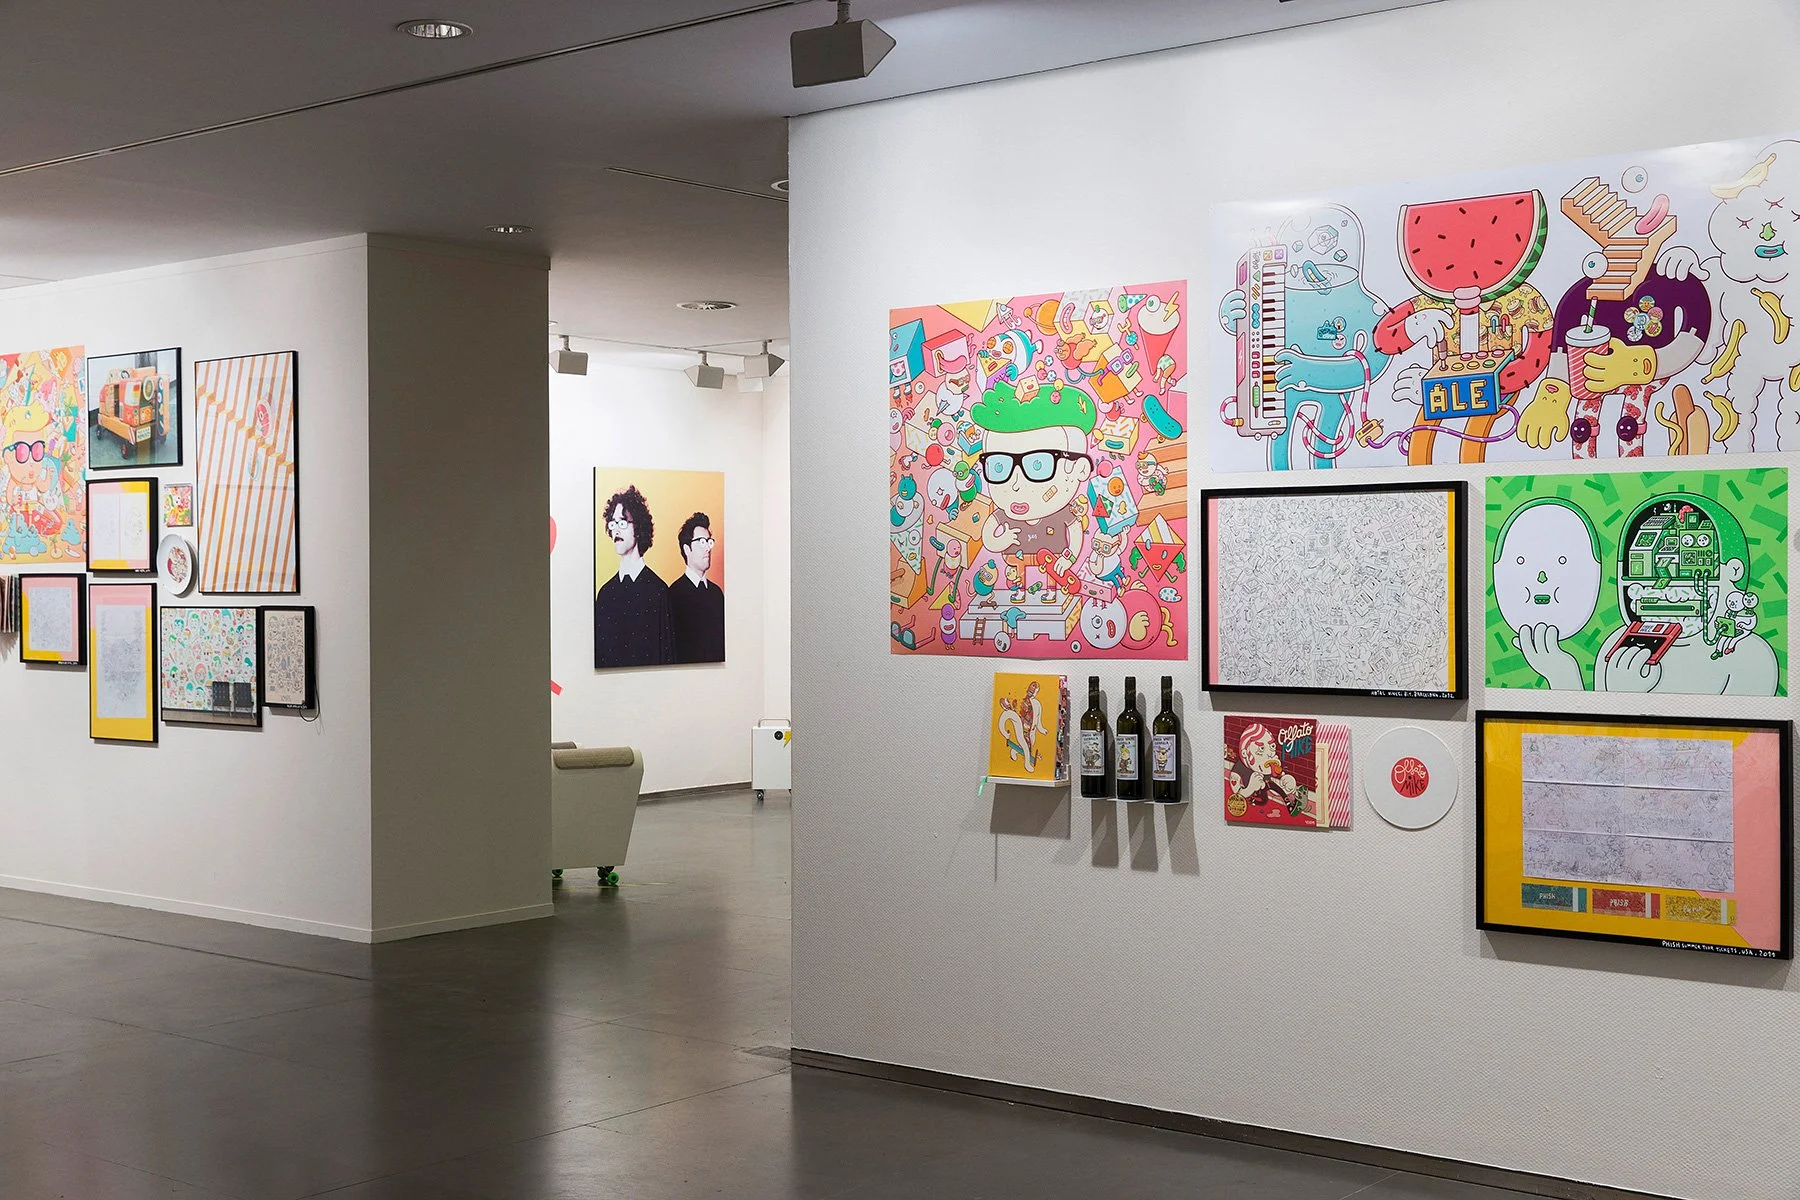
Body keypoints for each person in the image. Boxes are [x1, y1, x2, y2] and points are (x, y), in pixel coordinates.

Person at [594, 485, 673, 668]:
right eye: (612, 523)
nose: (616, 530)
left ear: (638, 527)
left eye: (622, 523)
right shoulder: (605, 594)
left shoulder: (660, 592)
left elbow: (668, 658)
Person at [668, 511, 725, 664]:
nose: (708, 548)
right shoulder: (673, 595)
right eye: (701, 542)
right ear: (687, 549)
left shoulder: (717, 594)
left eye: (709, 542)